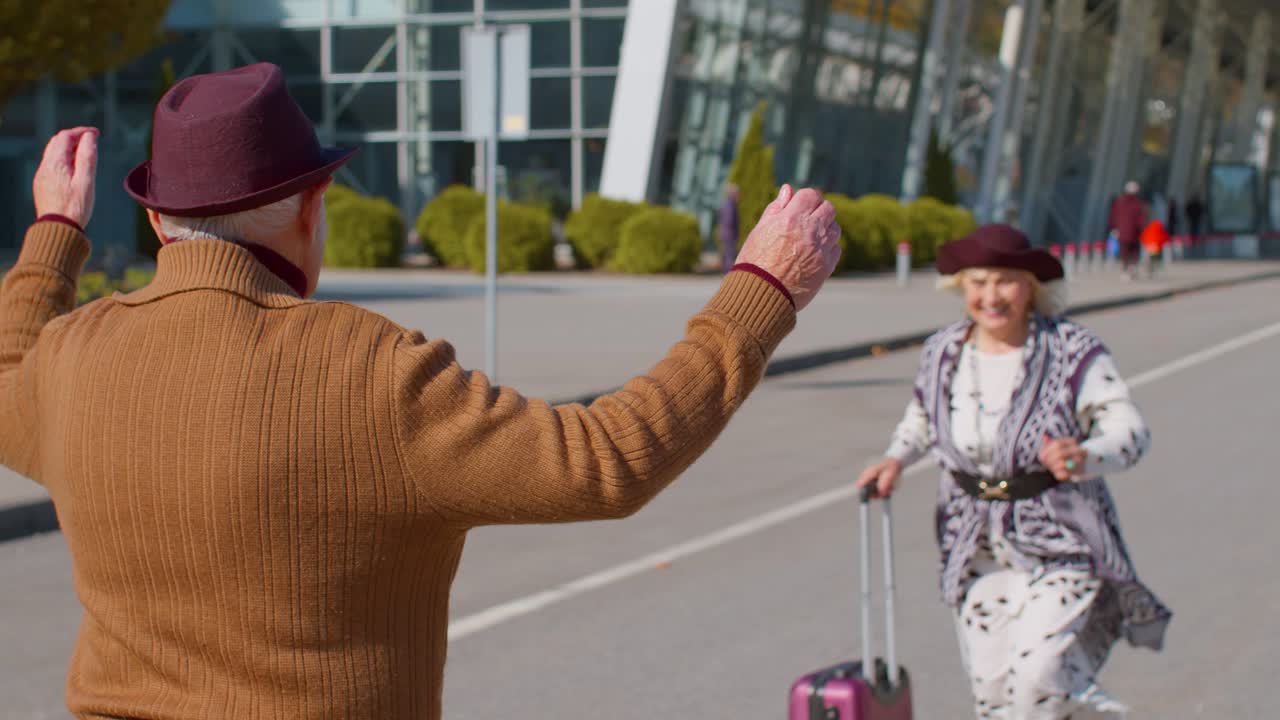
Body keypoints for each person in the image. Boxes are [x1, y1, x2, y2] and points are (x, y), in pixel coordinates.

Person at [0, 63, 842, 719]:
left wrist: (51, 239)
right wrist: (758, 292)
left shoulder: (74, 353)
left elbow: (8, 386)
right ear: (313, 205)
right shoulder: (365, 370)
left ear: (155, 221)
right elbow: (606, 460)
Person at [857, 225, 1170, 719]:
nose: (991, 296)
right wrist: (895, 458)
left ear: (1032, 288)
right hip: (974, 540)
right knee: (992, 689)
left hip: (1061, 535)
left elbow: (1130, 430)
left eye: (1006, 281)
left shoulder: (1072, 350)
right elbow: (921, 418)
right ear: (961, 286)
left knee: (1038, 676)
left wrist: (1085, 454)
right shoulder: (943, 351)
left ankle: (1082, 705)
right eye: (979, 281)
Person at [1107, 181, 1146, 280]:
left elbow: (1113, 217)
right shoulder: (1137, 204)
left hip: (1122, 233)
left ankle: (1125, 271)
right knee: (1133, 252)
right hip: (1133, 233)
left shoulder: (1119, 202)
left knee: (1124, 253)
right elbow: (1140, 219)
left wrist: (1113, 228)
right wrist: (1143, 230)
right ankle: (1130, 270)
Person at [720, 183, 741, 272]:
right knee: (730, 255)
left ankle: (727, 272)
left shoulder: (727, 204)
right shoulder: (730, 206)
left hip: (726, 233)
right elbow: (729, 221)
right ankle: (728, 273)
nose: (739, 196)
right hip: (730, 234)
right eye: (737, 193)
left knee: (727, 254)